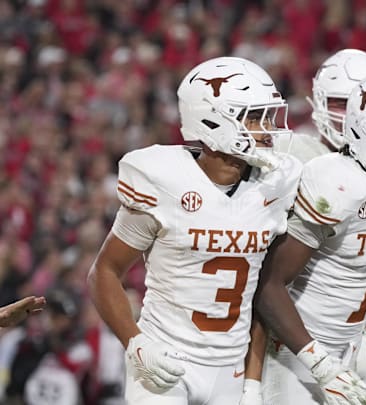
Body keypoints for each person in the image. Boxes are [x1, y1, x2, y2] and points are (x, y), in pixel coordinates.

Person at [86, 56, 303, 405]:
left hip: (231, 367)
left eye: (266, 116)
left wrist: (251, 382)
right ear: (212, 120)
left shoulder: (275, 184)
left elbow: (261, 293)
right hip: (165, 362)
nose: (266, 129)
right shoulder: (164, 180)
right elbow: (105, 272)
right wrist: (136, 343)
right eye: (253, 117)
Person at [242, 51, 366, 405]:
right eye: (340, 99)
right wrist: (252, 381)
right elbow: (265, 274)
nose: (346, 108)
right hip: (305, 331)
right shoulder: (294, 157)